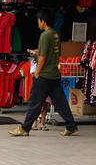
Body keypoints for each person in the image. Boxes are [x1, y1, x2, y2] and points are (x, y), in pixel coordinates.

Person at [9, 9, 78, 137]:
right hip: (54, 74)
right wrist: (38, 52)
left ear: (43, 21)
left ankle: (25, 128)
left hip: (44, 75)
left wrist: (37, 72)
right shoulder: (55, 35)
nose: (38, 23)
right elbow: (50, 52)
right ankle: (71, 125)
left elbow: (43, 57)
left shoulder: (45, 35)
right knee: (60, 102)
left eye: (38, 21)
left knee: (34, 102)